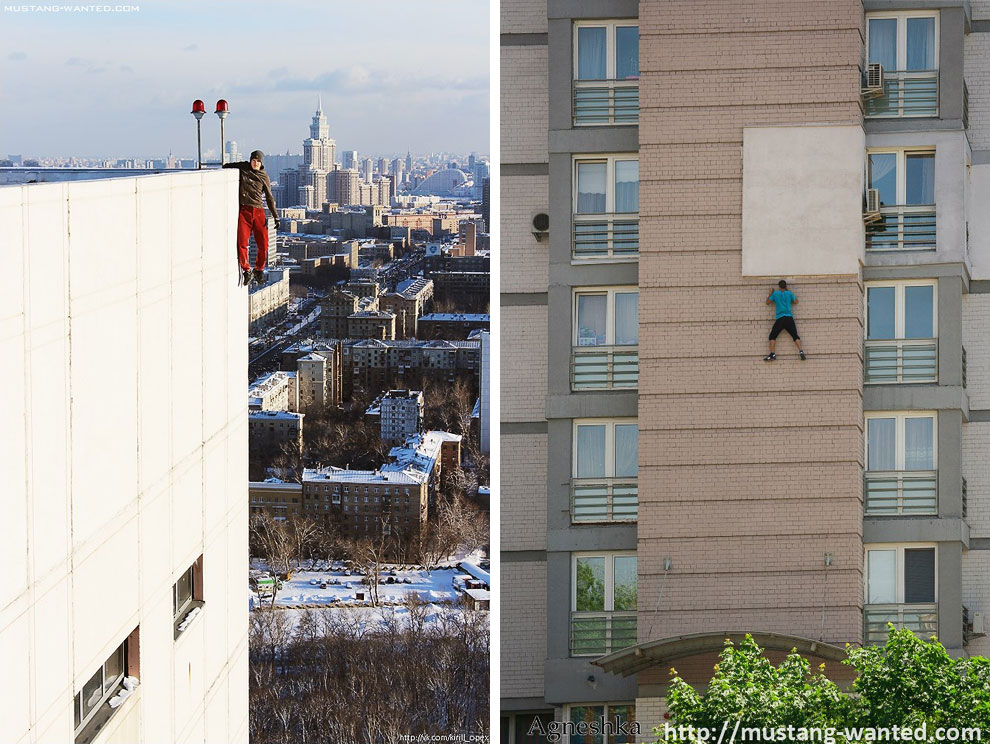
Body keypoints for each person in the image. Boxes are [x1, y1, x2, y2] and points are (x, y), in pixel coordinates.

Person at [223, 150, 280, 286]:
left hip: (259, 212)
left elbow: (270, 197)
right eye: (253, 161)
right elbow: (226, 166)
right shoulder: (244, 168)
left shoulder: (263, 177)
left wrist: (276, 216)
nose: (255, 163)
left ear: (261, 163)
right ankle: (246, 270)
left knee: (263, 244)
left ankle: (259, 270)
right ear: (250, 161)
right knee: (242, 242)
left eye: (258, 161)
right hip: (244, 211)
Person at [764, 280, 806, 361]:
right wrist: (789, 292)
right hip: (789, 318)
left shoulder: (775, 293)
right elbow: (796, 301)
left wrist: (770, 293)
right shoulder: (789, 293)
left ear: (779, 286)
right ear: (786, 286)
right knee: (795, 335)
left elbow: (767, 302)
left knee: (772, 336)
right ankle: (801, 351)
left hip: (780, 318)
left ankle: (772, 354)